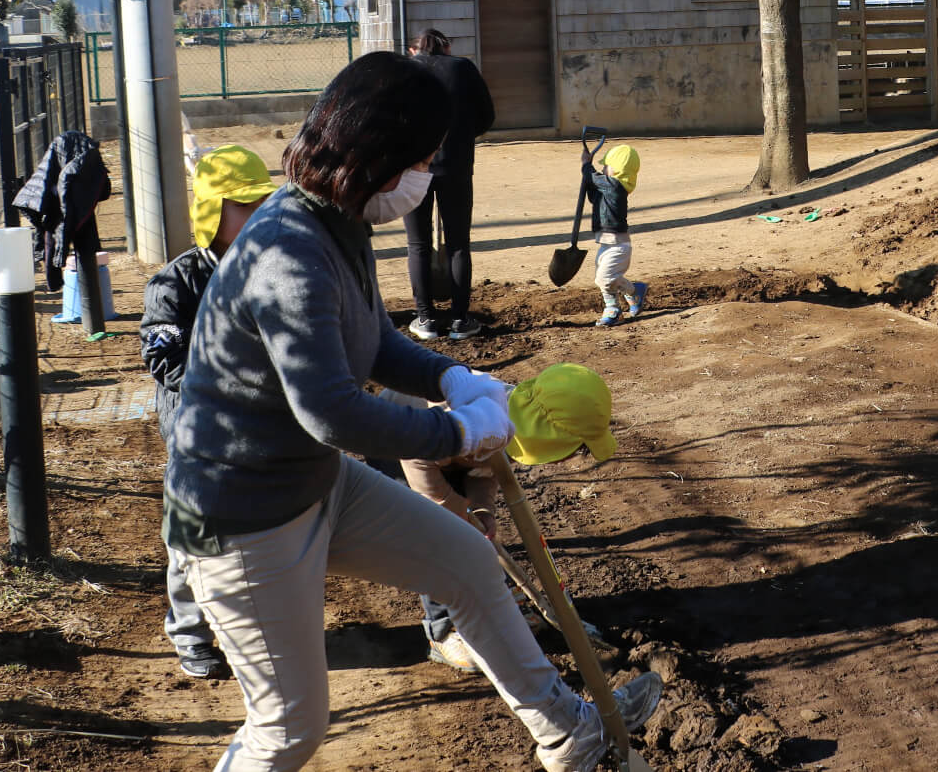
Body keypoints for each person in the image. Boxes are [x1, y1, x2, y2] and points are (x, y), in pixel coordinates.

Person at [164, 53, 659, 772]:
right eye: (426, 157)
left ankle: (568, 731)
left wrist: (451, 373)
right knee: (290, 725)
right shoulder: (287, 251)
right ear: (382, 158)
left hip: (313, 484)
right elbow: (330, 409)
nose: (431, 172)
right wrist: (454, 429)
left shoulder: (337, 220)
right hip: (243, 517)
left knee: (466, 560)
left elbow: (370, 338)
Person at [139, 144, 280, 681]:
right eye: (243, 204)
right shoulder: (175, 283)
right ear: (210, 211)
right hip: (195, 431)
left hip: (262, 426)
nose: (258, 214)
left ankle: (258, 622)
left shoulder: (269, 269)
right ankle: (191, 631)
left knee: (266, 524)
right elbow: (162, 357)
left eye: (263, 201)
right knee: (194, 533)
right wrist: (226, 387)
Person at [396, 363, 620, 672]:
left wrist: (481, 508)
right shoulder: (475, 417)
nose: (574, 455)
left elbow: (485, 468)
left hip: (445, 458)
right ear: (550, 434)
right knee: (434, 538)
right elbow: (414, 455)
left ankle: (496, 597)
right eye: (576, 447)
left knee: (471, 530)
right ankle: (443, 630)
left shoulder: (509, 421)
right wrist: (451, 505)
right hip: (396, 442)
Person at [403, 29, 496, 341]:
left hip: (413, 167)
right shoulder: (462, 68)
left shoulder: (404, 71)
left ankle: (425, 319)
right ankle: (460, 321)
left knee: (417, 244)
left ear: (414, 50)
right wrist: (462, 136)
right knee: (458, 244)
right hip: (455, 166)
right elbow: (486, 116)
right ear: (446, 47)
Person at [586, 144, 647, 327]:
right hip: (607, 244)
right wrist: (587, 180)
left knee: (604, 278)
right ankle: (634, 291)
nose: (603, 169)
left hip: (619, 246)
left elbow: (592, 177)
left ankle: (613, 310)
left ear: (618, 169)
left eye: (606, 166)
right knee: (604, 278)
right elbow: (593, 193)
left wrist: (586, 165)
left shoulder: (615, 187)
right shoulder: (609, 188)